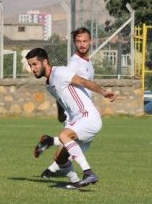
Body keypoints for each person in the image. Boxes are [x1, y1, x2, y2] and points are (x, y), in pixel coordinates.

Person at [25, 47, 116, 188]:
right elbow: (60, 98)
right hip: (77, 121)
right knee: (59, 159)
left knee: (64, 135)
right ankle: (76, 183)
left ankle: (88, 172)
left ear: (45, 62)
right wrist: (61, 113)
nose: (32, 69)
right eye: (30, 65)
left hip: (87, 116)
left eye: (35, 64)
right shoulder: (49, 83)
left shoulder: (60, 72)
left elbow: (82, 81)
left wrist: (103, 92)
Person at [38, 27, 95, 183]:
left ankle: (50, 148)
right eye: (78, 41)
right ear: (74, 43)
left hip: (85, 111)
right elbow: (60, 88)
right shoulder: (74, 63)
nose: (82, 44)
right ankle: (58, 171)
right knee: (72, 147)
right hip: (75, 113)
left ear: (91, 41)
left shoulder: (88, 62)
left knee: (79, 145)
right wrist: (60, 111)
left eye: (85, 41)